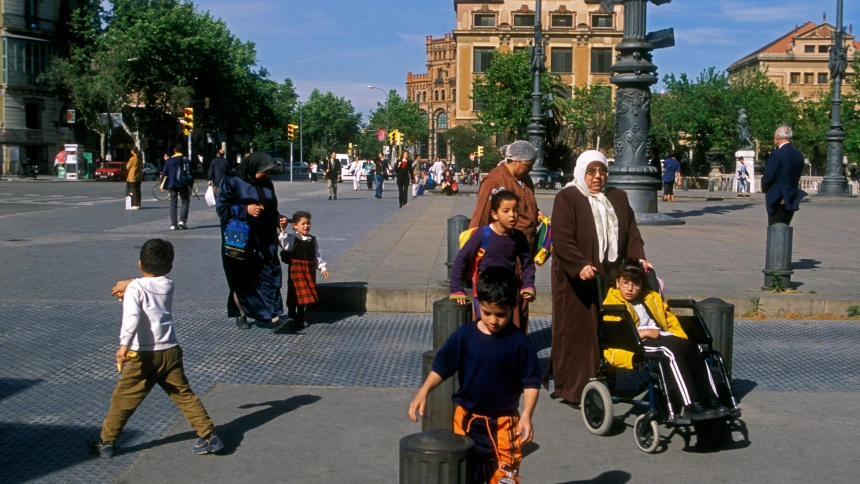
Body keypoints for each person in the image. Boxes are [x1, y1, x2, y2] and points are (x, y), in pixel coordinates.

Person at [88, 239, 225, 458]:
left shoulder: (135, 288)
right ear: (169, 266)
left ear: (140, 264)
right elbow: (151, 285)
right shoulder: (168, 284)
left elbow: (132, 318)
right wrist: (130, 286)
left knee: (124, 398)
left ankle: (106, 441)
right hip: (170, 349)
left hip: (143, 354)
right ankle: (209, 435)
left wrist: (123, 346)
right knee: (183, 394)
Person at [409, 267, 540, 484]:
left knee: (504, 477)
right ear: (478, 303)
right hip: (466, 420)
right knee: (465, 475)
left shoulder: (520, 343)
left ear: (512, 306)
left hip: (503, 423)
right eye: (487, 312)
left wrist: (527, 414)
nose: (493, 320)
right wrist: (423, 391)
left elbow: (531, 382)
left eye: (500, 314)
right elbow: (442, 366)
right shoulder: (465, 335)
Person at [545, 150, 648, 405]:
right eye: (591, 171)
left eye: (602, 171)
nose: (597, 176)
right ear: (581, 172)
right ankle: (574, 389)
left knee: (608, 329)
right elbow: (562, 238)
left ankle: (604, 382)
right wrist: (579, 264)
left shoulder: (618, 197)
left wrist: (638, 257)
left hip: (610, 276)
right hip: (575, 279)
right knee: (577, 332)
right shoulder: (568, 197)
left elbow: (631, 232)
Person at [603, 260, 729, 419]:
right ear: (617, 282)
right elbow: (617, 334)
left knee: (693, 347)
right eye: (625, 282)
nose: (630, 288)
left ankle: (711, 399)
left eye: (636, 284)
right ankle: (691, 404)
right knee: (670, 352)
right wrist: (644, 333)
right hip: (636, 342)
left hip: (661, 336)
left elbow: (669, 320)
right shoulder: (612, 303)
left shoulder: (651, 298)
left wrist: (680, 339)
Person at [470, 140, 542, 332]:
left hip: (523, 254)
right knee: (502, 303)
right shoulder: (495, 180)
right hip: (503, 254)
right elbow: (481, 216)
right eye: (527, 165)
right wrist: (474, 252)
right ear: (515, 161)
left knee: (521, 302)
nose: (530, 169)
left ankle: (518, 343)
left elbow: (525, 206)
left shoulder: (525, 179)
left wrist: (535, 214)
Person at [216, 152, 288, 330]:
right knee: (241, 278)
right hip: (241, 240)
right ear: (254, 167)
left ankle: (275, 317)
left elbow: (272, 207)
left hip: (265, 239)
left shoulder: (266, 183)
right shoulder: (231, 181)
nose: (267, 174)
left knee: (270, 274)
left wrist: (278, 218)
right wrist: (245, 210)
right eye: (265, 171)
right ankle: (241, 313)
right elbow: (222, 209)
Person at [450, 190, 536, 320]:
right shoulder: (483, 234)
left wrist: (528, 285)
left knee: (504, 324)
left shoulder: (519, 237)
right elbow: (461, 259)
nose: (512, 215)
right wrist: (457, 289)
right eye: (506, 211)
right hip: (484, 288)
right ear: (494, 214)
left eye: (515, 210)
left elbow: (528, 264)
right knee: (485, 322)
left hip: (507, 289)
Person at [275, 211, 329, 333]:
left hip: (308, 270)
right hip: (296, 269)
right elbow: (285, 245)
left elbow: (316, 255)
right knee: (294, 293)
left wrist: (322, 268)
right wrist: (282, 230)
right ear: (295, 225)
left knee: (304, 294)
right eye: (303, 224)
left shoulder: (312, 239)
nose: (306, 226)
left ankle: (301, 315)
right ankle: (291, 314)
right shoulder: (292, 238)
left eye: (308, 223)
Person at [762, 125, 806, 226]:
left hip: (777, 197)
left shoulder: (777, 154)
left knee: (775, 227)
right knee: (785, 226)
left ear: (777, 138)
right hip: (792, 196)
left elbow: (768, 176)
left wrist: (765, 188)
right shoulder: (798, 154)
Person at [162, 144, 192, 230]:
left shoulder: (169, 161)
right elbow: (190, 173)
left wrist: (163, 185)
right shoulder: (186, 160)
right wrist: (190, 183)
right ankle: (182, 221)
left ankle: (173, 224)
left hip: (172, 184)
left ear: (174, 150)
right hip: (183, 183)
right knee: (185, 201)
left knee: (173, 203)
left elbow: (164, 173)